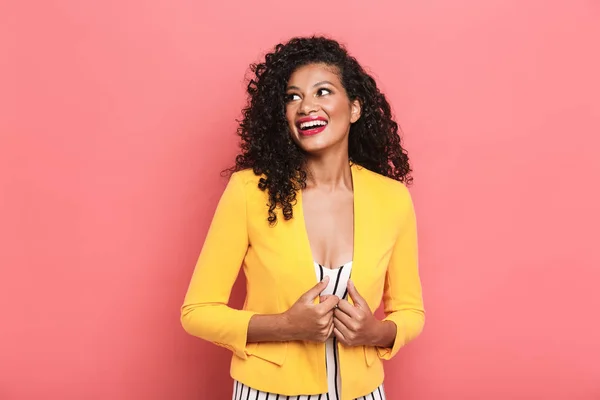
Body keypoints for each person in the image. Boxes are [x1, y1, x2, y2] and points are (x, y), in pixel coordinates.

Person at [180, 36, 425, 400]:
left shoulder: (392, 199)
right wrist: (284, 326)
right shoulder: (249, 191)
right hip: (267, 391)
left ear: (355, 108)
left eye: (322, 92)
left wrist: (376, 333)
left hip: (363, 392)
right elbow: (196, 312)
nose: (305, 106)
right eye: (292, 97)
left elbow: (410, 310)